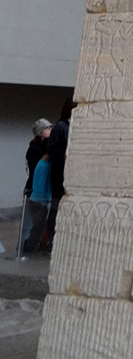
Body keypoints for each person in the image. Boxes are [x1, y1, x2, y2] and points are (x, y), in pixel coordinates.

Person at [45, 96, 74, 245]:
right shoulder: (61, 126)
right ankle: (51, 239)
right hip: (60, 172)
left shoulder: (71, 125)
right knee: (56, 206)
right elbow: (52, 149)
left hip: (69, 171)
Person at [22, 149, 51, 254]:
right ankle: (29, 250)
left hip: (36, 199)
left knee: (36, 228)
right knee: (37, 228)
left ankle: (28, 249)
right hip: (39, 200)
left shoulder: (41, 164)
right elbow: (42, 184)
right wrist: (45, 200)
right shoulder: (45, 166)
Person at [24, 119, 51, 196]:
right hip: (34, 188)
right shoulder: (34, 149)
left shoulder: (44, 146)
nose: (50, 130)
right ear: (40, 132)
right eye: (47, 128)